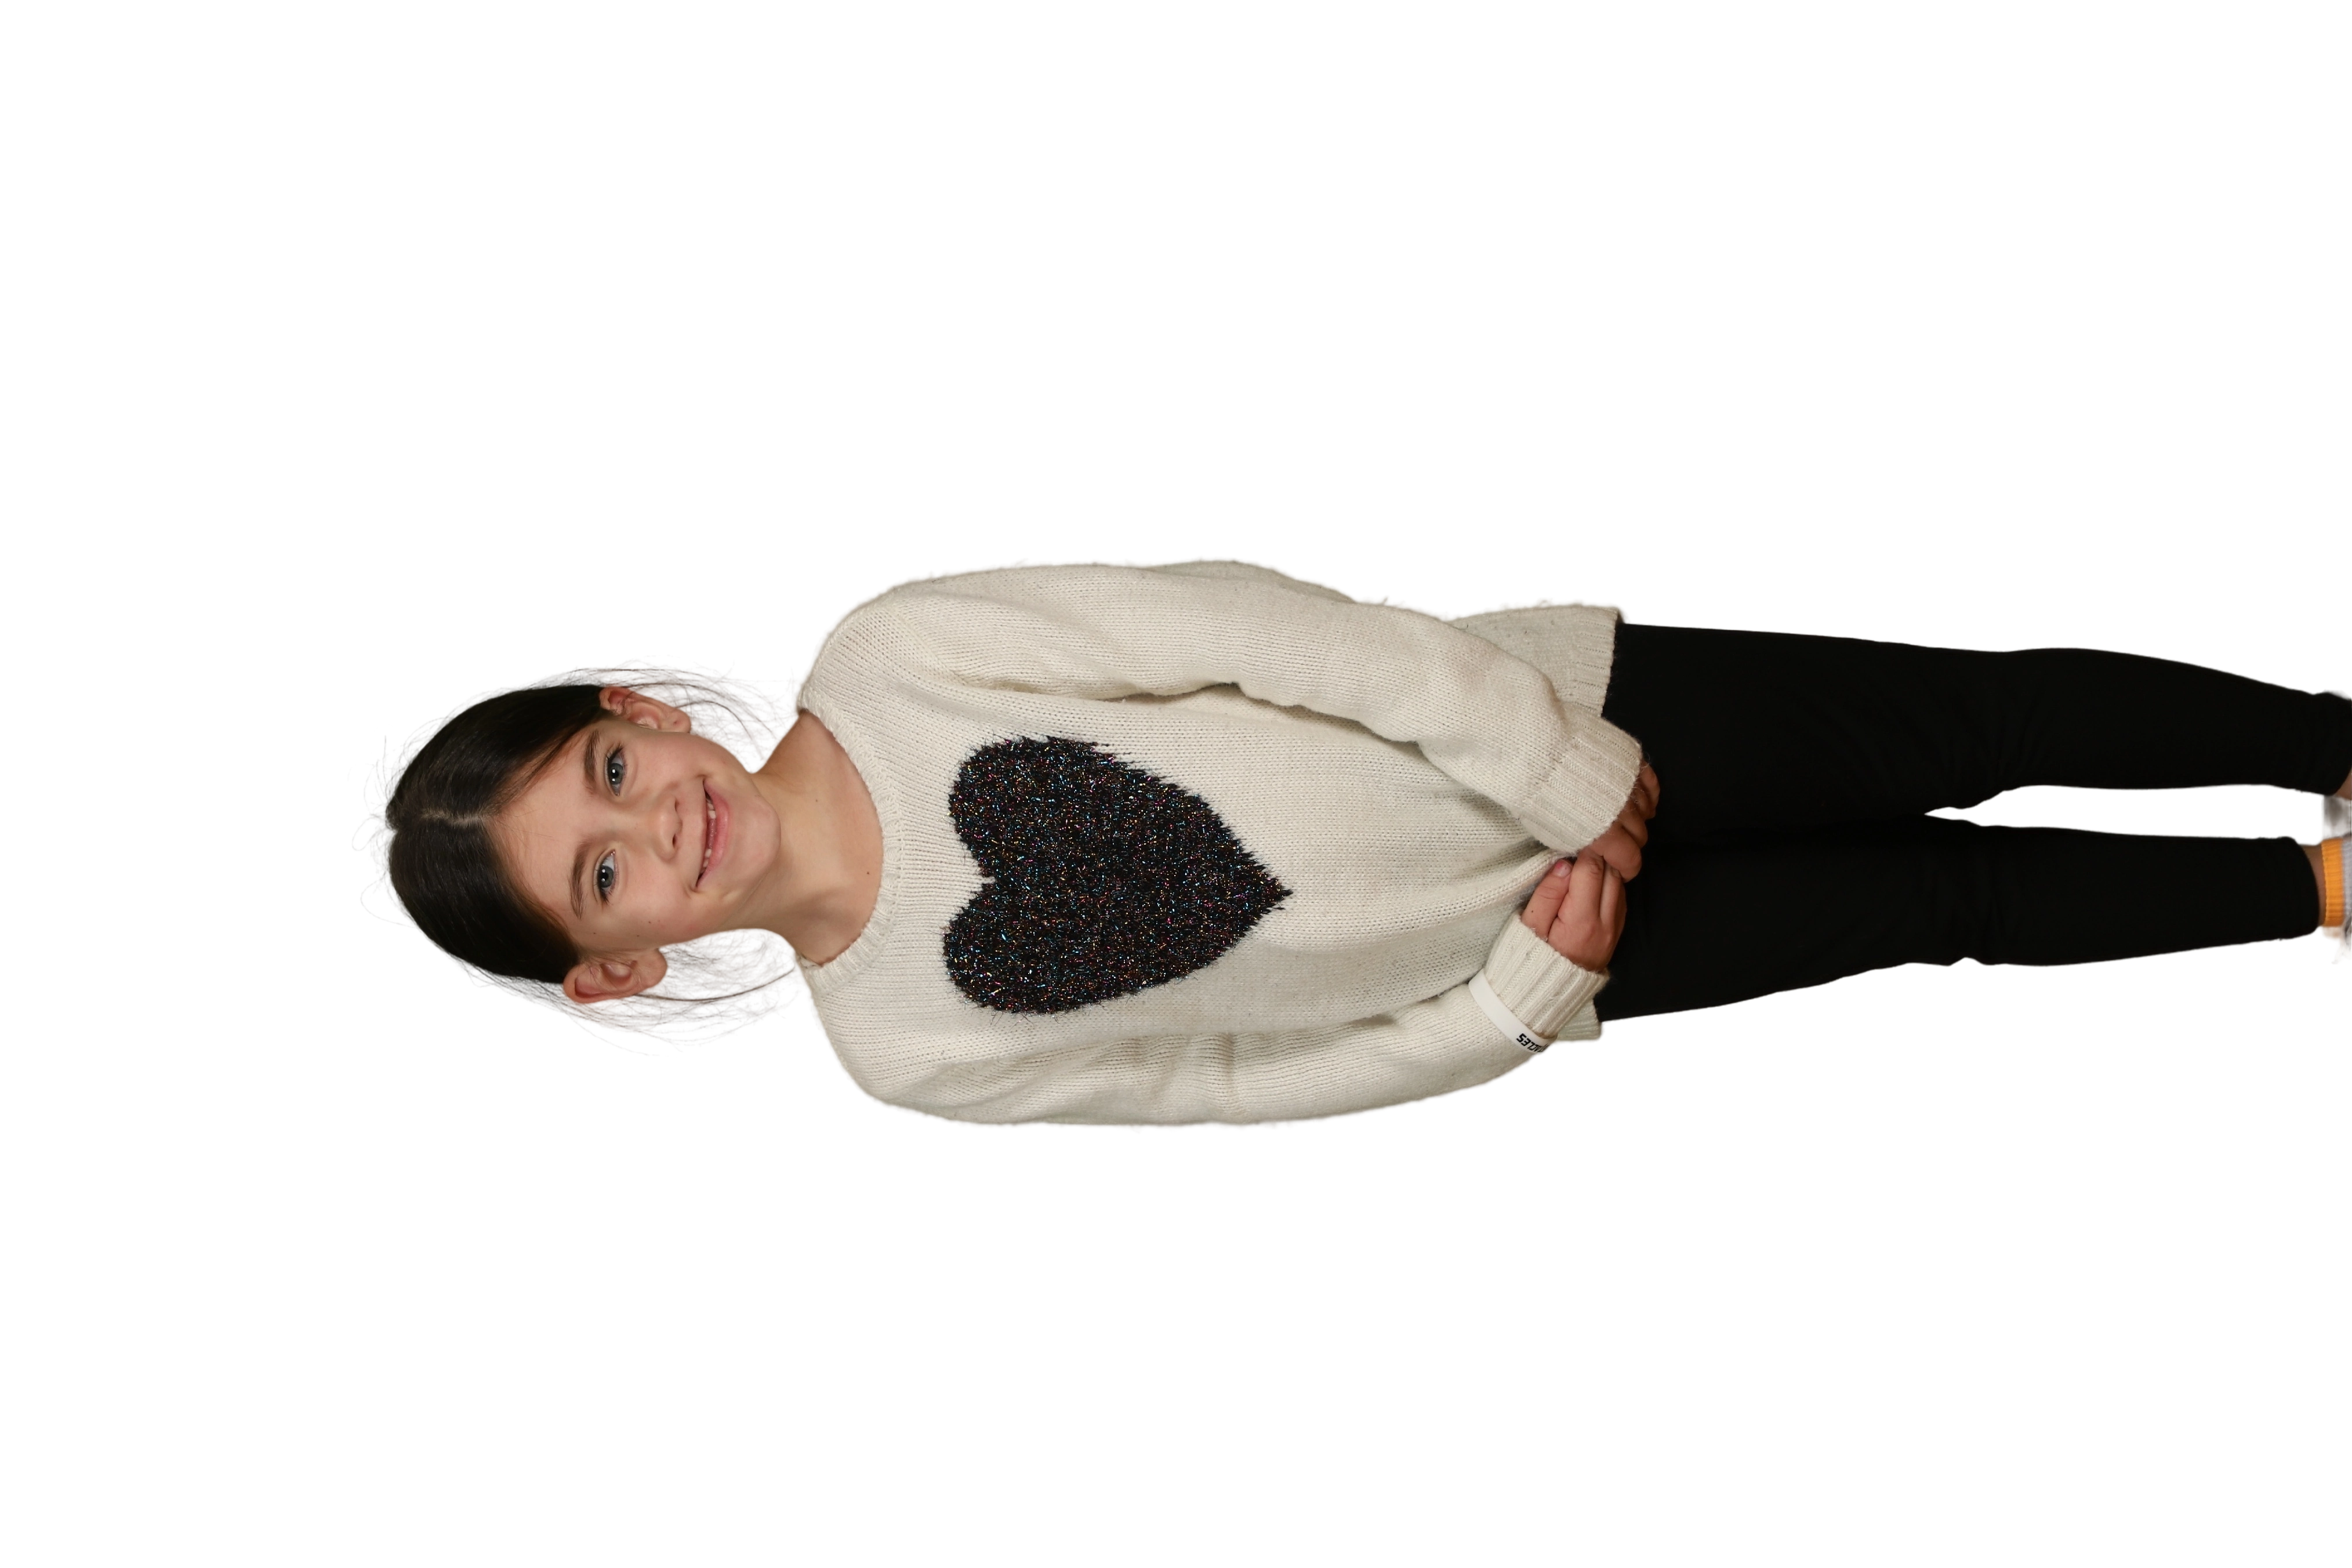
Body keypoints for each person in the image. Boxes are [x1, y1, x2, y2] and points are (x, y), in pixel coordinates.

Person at [349, 553, 2352, 1133]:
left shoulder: (907, 650)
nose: (654, 826)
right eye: (600, 873)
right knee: (1942, 902)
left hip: (1587, 718)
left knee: (1978, 723)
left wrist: (1549, 763)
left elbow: (1266, 633)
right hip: (1571, 948)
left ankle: (2325, 738)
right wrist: (1511, 1003)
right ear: (618, 966)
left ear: (641, 713)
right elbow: (1237, 1082)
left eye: (604, 775)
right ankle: (2321, 885)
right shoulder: (910, 1053)